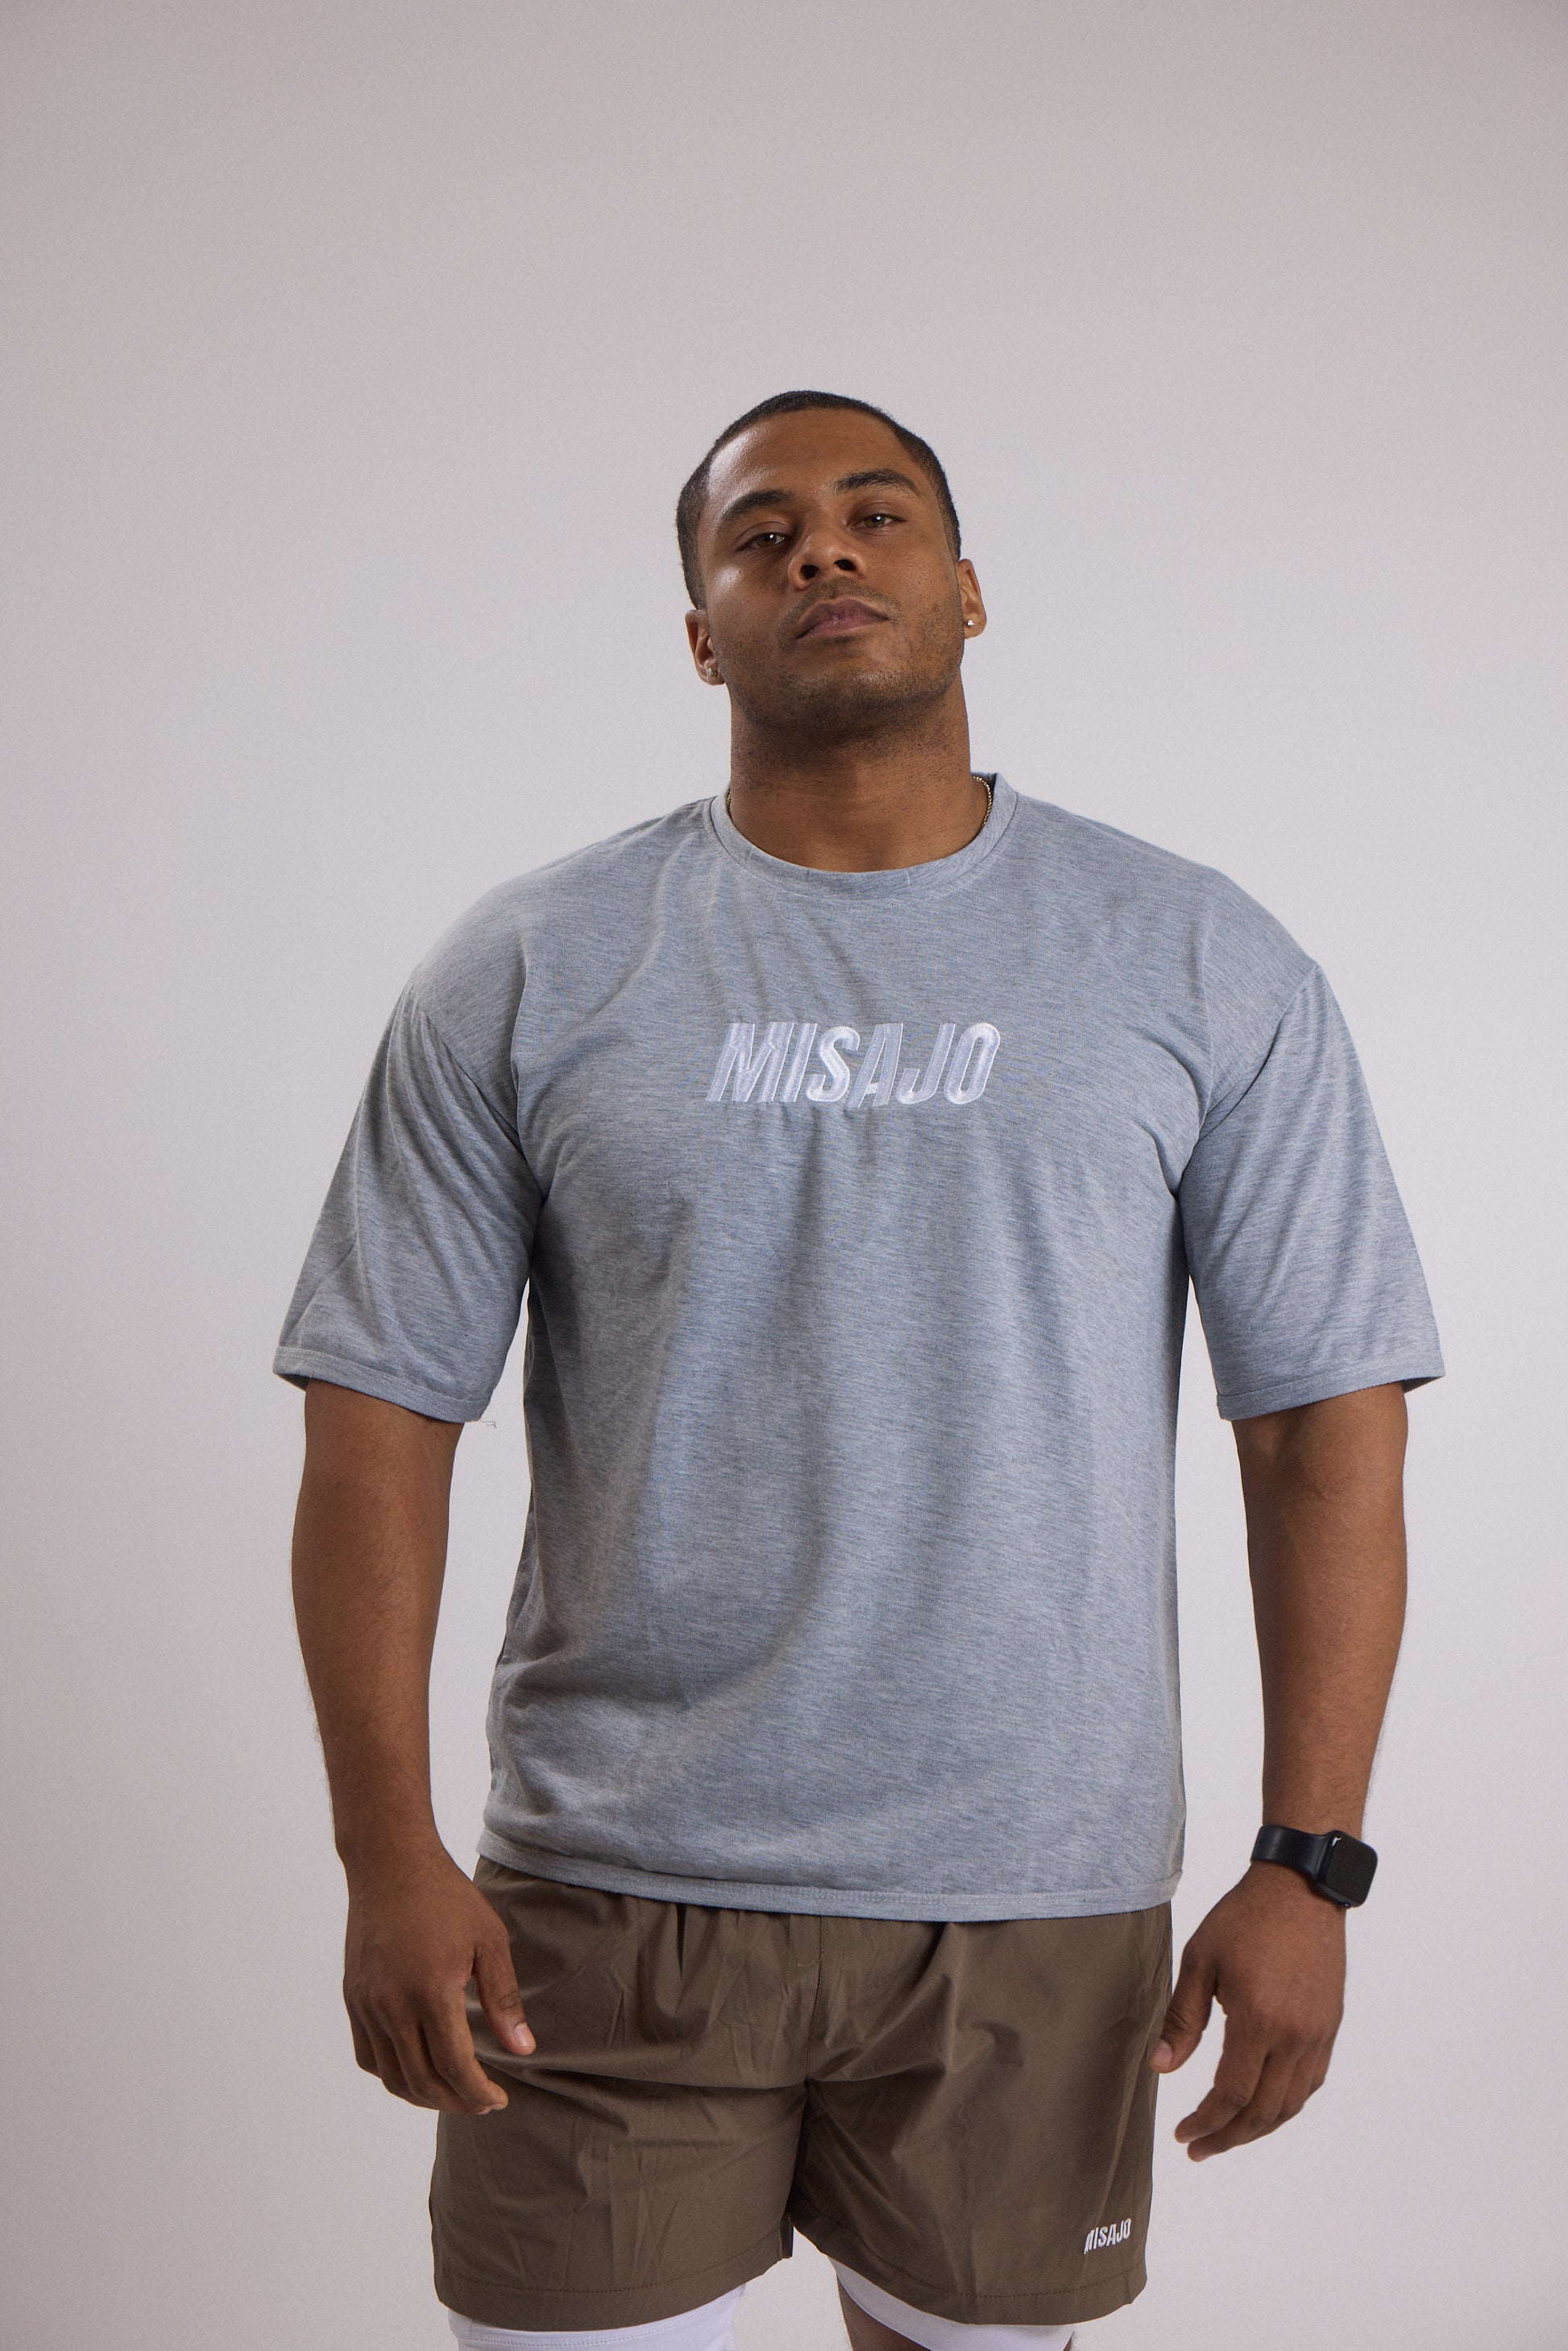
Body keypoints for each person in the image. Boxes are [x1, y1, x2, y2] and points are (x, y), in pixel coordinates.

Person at [278, 390, 1442, 2351]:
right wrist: (383, 1854)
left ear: (969, 591)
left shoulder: (1195, 957)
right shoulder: (533, 964)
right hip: (607, 1891)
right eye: (760, 533)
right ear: (700, 634)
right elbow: (378, 1422)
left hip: (1030, 1895)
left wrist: (1305, 1863)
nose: (819, 547)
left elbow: (1323, 1425)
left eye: (874, 513)